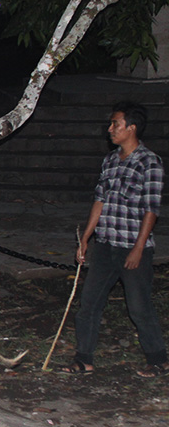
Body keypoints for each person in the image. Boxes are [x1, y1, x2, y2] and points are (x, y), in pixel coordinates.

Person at [59, 101, 167, 378]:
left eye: (115, 124)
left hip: (133, 246)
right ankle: (84, 359)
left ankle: (158, 359)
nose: (110, 129)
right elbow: (100, 200)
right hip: (106, 245)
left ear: (131, 128)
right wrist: (85, 238)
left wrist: (139, 248)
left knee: (139, 307)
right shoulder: (109, 161)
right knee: (89, 303)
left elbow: (151, 209)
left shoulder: (149, 162)